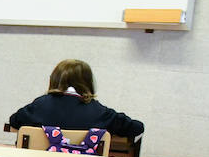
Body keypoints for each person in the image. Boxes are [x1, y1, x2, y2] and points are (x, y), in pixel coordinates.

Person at [8, 59, 145, 139]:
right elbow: (137, 128)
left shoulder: (39, 105)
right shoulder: (99, 112)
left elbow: (14, 120)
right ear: (87, 82)